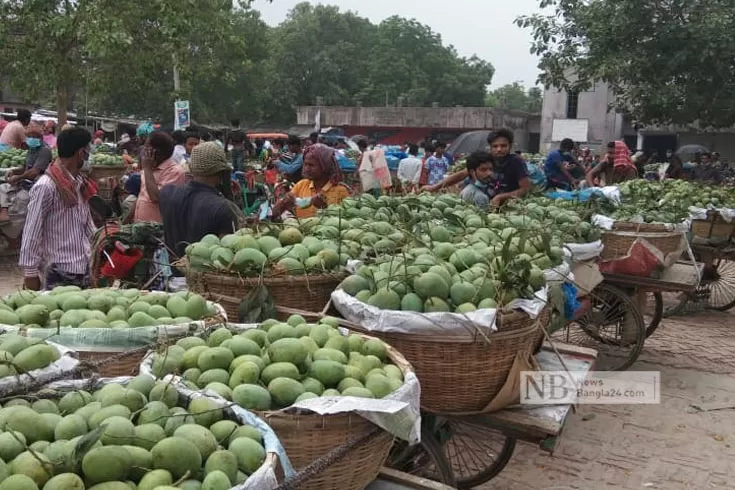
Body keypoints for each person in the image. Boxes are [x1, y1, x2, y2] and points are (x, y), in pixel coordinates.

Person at [19, 127, 97, 290]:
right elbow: (31, 232)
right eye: (89, 149)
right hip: (58, 271)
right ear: (81, 153)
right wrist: (30, 273)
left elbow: (87, 224)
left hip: (83, 266)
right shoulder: (46, 187)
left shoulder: (79, 184)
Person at [159, 142, 239, 258]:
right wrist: (228, 194)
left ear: (191, 168)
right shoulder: (223, 208)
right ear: (222, 173)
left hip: (171, 272)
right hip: (201, 275)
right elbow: (226, 255)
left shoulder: (166, 193)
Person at [423, 129, 531, 207]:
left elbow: (525, 188)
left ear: (510, 146)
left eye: (503, 146)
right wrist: (433, 188)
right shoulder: (488, 159)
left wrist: (501, 197)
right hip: (486, 203)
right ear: (490, 147)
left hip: (508, 206)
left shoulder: (516, 162)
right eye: (495, 146)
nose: (499, 149)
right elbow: (462, 174)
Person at [272, 144, 350, 219]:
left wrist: (324, 208)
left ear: (324, 167)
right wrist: (283, 203)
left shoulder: (340, 191)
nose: (306, 168)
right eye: (305, 164)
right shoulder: (301, 185)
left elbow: (346, 222)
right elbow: (273, 215)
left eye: (311, 165)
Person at [0, 123, 53, 224]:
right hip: (25, 181)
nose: (31, 139)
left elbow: (34, 172)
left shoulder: (44, 151)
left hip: (36, 184)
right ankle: (4, 211)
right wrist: (13, 171)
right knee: (2, 188)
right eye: (29, 137)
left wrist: (18, 177)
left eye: (34, 137)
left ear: (40, 138)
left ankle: (18, 227)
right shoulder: (31, 150)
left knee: (19, 200)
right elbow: (25, 167)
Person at [133, 132, 186, 223]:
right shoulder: (150, 168)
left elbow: (156, 197)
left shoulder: (174, 171)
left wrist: (147, 168)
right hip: (140, 227)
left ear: (156, 151)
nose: (143, 151)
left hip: (158, 231)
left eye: (146, 148)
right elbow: (142, 196)